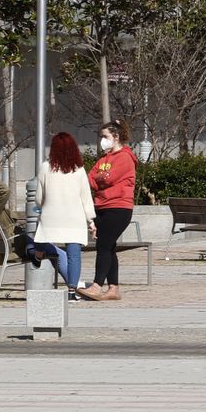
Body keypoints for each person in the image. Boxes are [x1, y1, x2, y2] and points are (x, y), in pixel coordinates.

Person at [32, 132, 97, 299]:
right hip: (74, 219)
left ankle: (38, 254)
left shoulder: (45, 168)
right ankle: (72, 292)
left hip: (51, 217)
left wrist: (45, 204)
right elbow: (86, 198)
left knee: (40, 240)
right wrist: (91, 220)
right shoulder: (80, 170)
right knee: (74, 256)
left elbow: (39, 198)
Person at [80, 119, 137, 302]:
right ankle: (113, 289)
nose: (102, 140)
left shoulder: (125, 157)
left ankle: (97, 285)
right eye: (101, 136)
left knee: (103, 245)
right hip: (102, 206)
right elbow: (91, 178)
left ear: (116, 136)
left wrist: (99, 179)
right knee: (109, 247)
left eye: (105, 136)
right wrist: (99, 179)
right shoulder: (104, 158)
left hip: (119, 208)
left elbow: (108, 178)